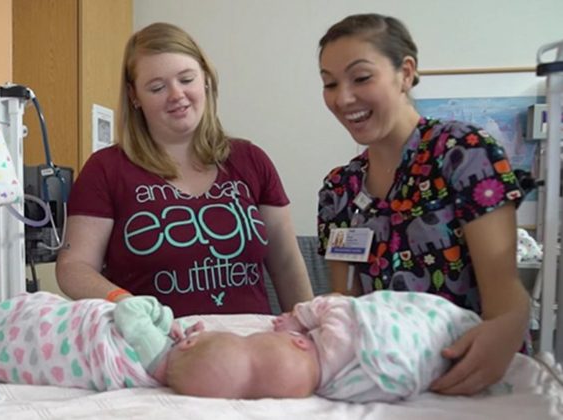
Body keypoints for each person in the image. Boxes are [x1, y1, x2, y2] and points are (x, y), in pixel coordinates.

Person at [314, 13, 530, 396]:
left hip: (470, 373)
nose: (342, 97)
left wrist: (508, 326)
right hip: (386, 379)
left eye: (361, 78)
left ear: (406, 72)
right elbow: (347, 309)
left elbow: (505, 295)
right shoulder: (340, 189)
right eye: (330, 83)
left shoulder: (464, 154)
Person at [56, 22, 313, 316]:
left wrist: (309, 329)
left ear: (205, 78)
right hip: (158, 348)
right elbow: (74, 267)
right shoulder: (105, 170)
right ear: (134, 96)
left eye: (186, 79)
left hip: (253, 346)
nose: (176, 95)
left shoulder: (251, 160)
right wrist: (124, 302)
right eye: (157, 87)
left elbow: (286, 264)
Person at [164, 291, 481, 402]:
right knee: (438, 328)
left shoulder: (341, 386)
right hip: (413, 340)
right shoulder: (338, 341)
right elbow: (338, 306)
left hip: (403, 375)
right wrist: (300, 317)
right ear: (300, 342)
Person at [0, 291, 204, 390]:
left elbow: (129, 311)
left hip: (81, 332)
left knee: (40, 323)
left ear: (188, 344)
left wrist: (165, 318)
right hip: (76, 352)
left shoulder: (157, 350)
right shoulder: (162, 378)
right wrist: (182, 328)